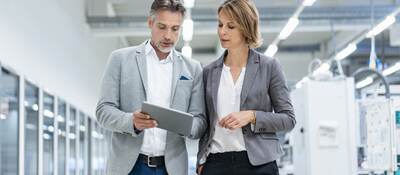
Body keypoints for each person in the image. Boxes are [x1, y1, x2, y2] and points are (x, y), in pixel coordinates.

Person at [96, 0, 207, 175]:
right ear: (150, 23)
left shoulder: (193, 69)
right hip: (129, 167)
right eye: (162, 27)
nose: (169, 36)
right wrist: (131, 121)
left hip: (171, 168)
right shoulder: (120, 59)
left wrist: (184, 126)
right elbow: (103, 111)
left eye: (175, 29)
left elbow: (200, 121)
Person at [197, 0, 296, 174]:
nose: (222, 31)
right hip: (216, 163)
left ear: (246, 27)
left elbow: (288, 119)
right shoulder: (208, 72)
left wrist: (252, 116)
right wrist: (201, 159)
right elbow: (206, 123)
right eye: (220, 25)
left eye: (231, 26)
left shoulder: (269, 66)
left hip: (259, 164)